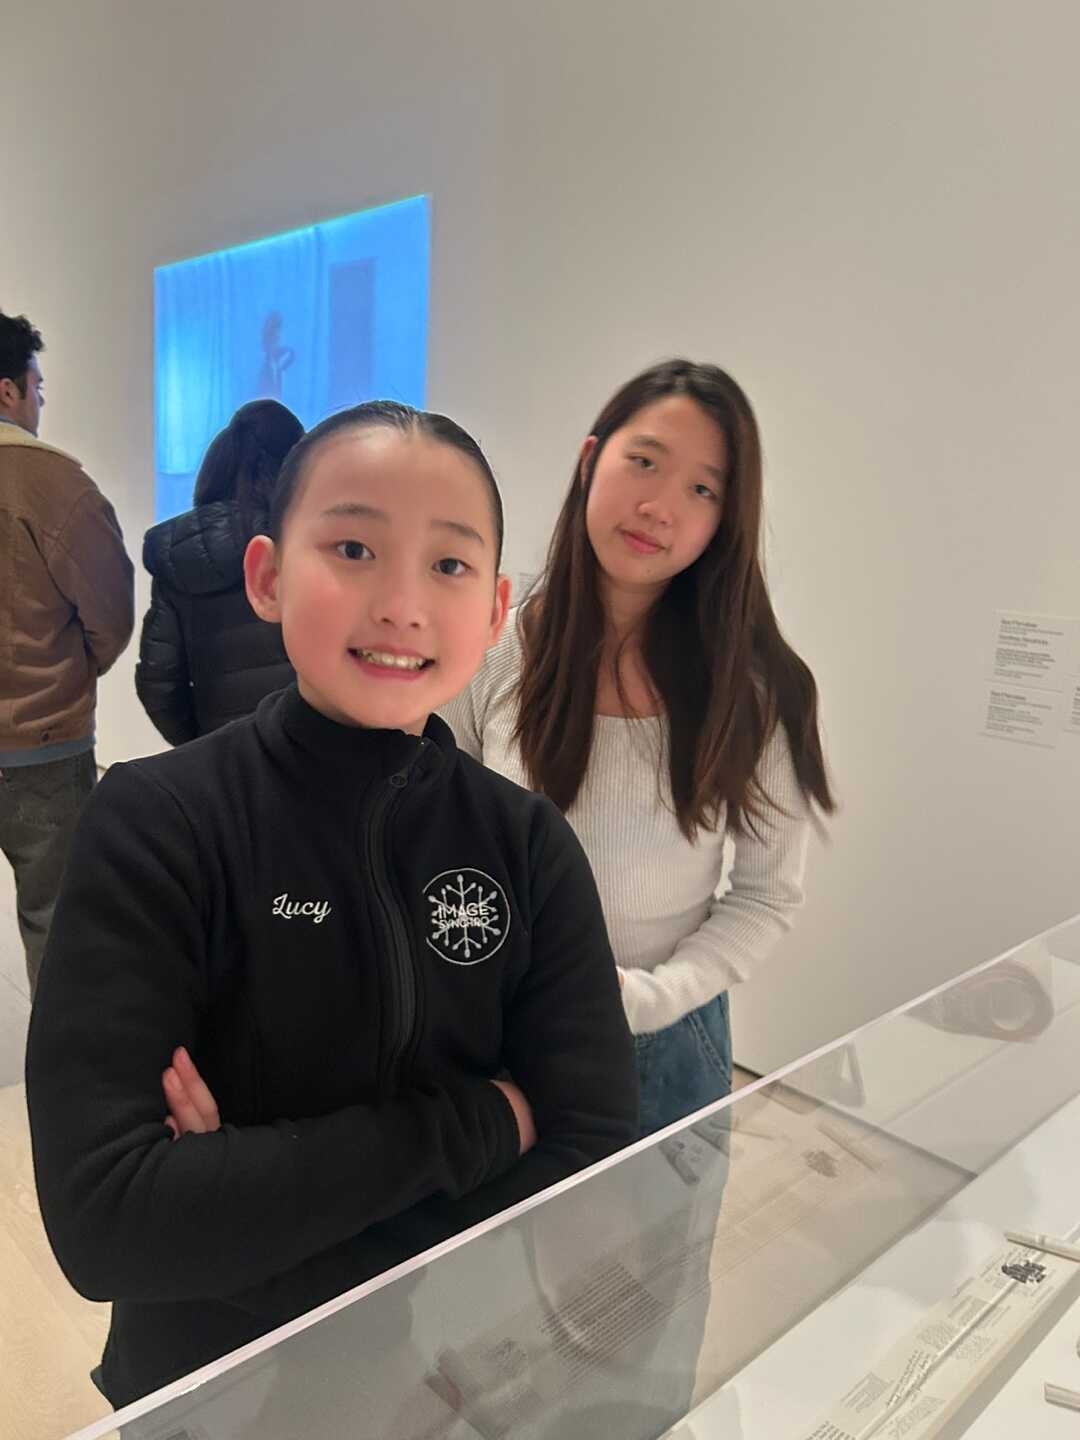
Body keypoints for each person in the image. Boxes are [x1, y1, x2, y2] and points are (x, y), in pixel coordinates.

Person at [26, 400, 637, 1410]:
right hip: (207, 1391)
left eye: (448, 565)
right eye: (353, 548)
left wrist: (240, 1201)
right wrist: (485, 1122)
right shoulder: (157, 823)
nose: (401, 604)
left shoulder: (526, 847)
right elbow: (109, 1221)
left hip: (453, 1386)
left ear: (495, 610)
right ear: (267, 576)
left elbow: (593, 1166)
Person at [443, 359, 835, 1136]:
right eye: (645, 462)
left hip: (666, 1034)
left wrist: (650, 999)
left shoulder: (756, 691)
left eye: (703, 489)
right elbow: (440, 832)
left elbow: (766, 896)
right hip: (500, 1024)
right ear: (592, 460)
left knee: (654, 1225)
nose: (659, 507)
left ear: (727, 517)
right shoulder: (493, 648)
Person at [0, 310, 134, 997]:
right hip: (42, 745)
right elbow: (111, 614)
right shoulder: (56, 485)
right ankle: (62, 1059)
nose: (40, 402)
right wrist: (72, 672)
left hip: (41, 749)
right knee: (55, 921)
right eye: (38, 387)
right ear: (9, 391)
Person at [135, 399, 302, 744]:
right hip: (306, 745)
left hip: (222, 753)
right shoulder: (306, 540)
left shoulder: (175, 550)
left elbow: (159, 680)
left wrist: (200, 747)